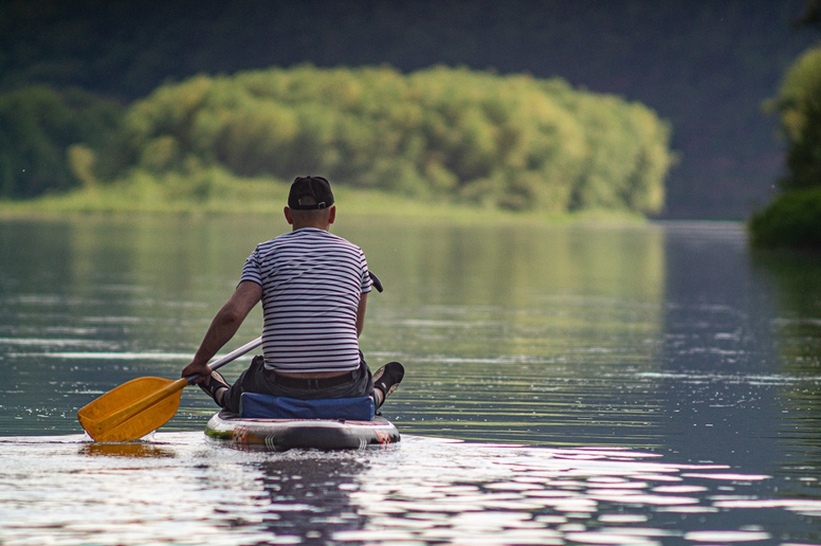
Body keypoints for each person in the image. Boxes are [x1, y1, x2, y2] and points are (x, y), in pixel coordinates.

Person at [181, 175, 404, 414]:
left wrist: (200, 362)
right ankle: (377, 393)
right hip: (344, 386)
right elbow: (355, 331)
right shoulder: (355, 255)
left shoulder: (263, 254)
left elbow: (232, 315)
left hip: (279, 387)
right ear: (333, 214)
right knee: (361, 375)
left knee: (242, 391)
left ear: (288, 215)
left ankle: (220, 390)